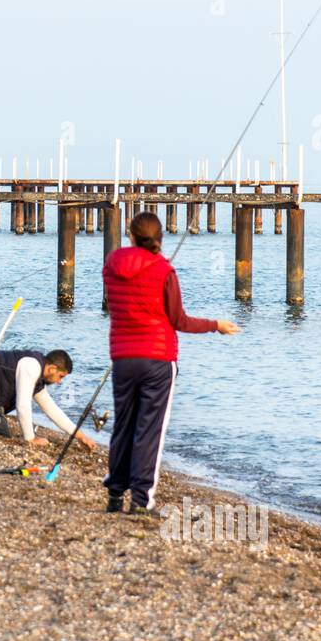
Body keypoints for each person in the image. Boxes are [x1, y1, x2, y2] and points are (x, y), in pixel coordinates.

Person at [102, 212, 239, 514]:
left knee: (123, 425)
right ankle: (141, 500)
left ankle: (115, 493)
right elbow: (179, 320)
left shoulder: (111, 265)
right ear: (159, 238)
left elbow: (117, 305)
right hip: (158, 359)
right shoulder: (164, 270)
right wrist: (216, 324)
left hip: (123, 357)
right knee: (150, 429)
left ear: (131, 234)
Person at [0, 348, 97, 451]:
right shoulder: (31, 366)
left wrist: (80, 436)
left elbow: (51, 408)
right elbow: (22, 405)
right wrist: (30, 439)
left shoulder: (36, 374)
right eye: (60, 376)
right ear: (52, 369)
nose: (59, 382)